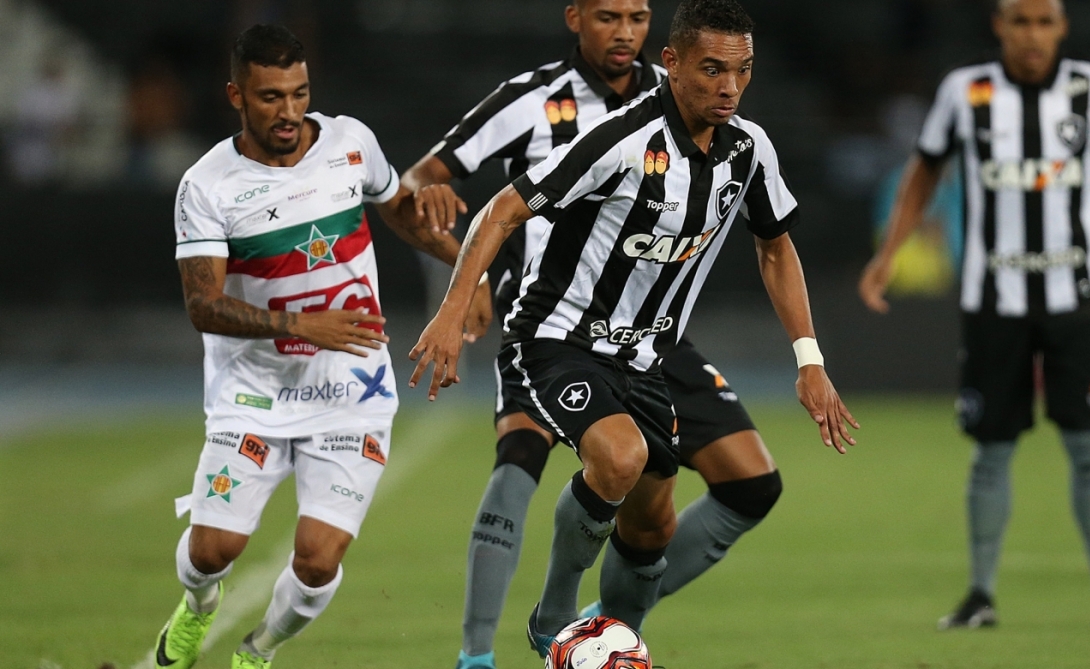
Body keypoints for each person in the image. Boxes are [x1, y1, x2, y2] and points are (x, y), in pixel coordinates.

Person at [410, 0, 858, 660]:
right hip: (560, 336)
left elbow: (774, 246)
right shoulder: (623, 137)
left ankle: (613, 640)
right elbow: (505, 208)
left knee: (653, 518)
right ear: (672, 64)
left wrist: (809, 358)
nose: (729, 86)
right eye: (712, 69)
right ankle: (555, 614)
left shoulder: (748, 147)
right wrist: (453, 309)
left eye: (742, 71)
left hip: (647, 354)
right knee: (618, 456)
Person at [154, 24, 489, 669]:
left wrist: (461, 268)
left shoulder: (349, 141)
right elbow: (203, 304)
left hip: (350, 391)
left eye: (299, 94)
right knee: (210, 554)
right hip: (253, 393)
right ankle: (196, 609)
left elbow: (398, 208)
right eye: (271, 97)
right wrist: (301, 326)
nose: (289, 112)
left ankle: (259, 651)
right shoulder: (207, 186)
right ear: (236, 96)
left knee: (317, 561)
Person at [859, 0, 1090, 630]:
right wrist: (890, 251)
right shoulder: (964, 92)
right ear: (999, 26)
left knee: (1088, 447)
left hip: (1078, 300)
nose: (1032, 35)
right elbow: (925, 168)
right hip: (993, 302)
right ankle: (980, 596)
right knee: (990, 451)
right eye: (1020, 21)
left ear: (1062, 27)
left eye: (1044, 21)